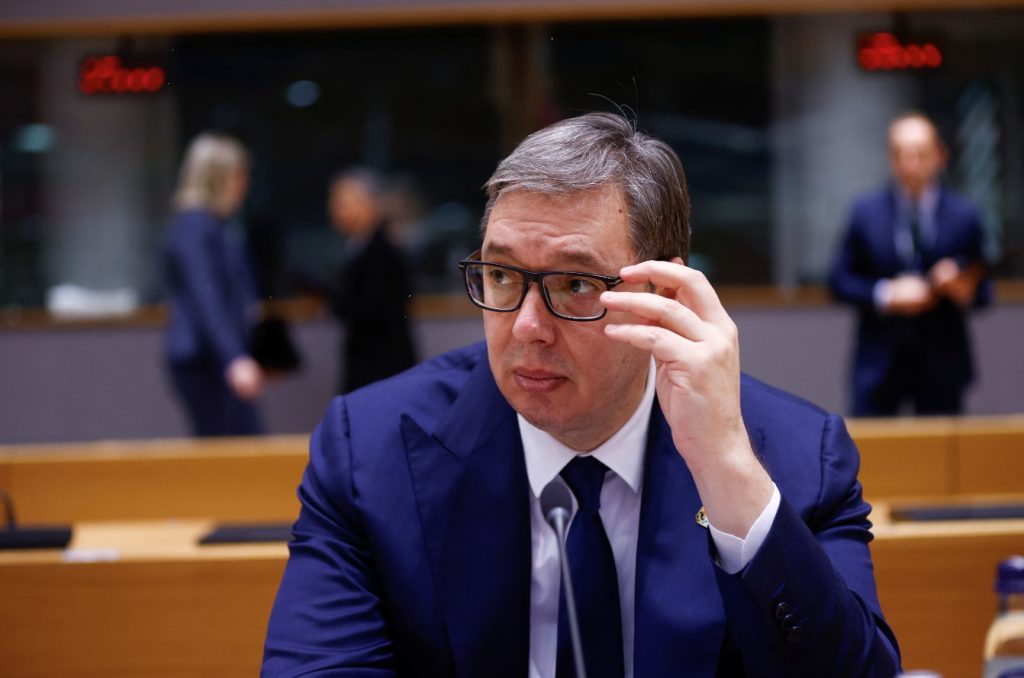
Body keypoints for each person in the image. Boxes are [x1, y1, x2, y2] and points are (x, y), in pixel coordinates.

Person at [263, 113, 901, 677]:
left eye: (574, 285)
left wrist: (727, 472)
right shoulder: (369, 453)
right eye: (502, 274)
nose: (527, 327)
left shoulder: (795, 458)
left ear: (663, 294)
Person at [829, 112, 992, 416]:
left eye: (920, 153)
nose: (911, 164)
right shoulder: (865, 212)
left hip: (942, 362)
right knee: (873, 444)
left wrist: (959, 287)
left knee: (943, 443)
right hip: (879, 362)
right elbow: (839, 282)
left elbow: (983, 290)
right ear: (891, 158)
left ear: (939, 155)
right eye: (901, 154)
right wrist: (887, 294)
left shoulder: (964, 214)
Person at [163, 132, 265, 436]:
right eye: (238, 175)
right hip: (205, 358)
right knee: (235, 448)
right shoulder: (193, 226)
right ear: (217, 178)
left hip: (214, 355)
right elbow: (206, 294)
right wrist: (234, 359)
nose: (244, 184)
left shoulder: (213, 224)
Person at [328, 167, 417, 393]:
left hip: (381, 368)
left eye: (342, 203)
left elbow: (373, 309)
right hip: (371, 365)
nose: (335, 211)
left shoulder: (383, 249)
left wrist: (334, 300)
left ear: (368, 204)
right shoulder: (360, 246)